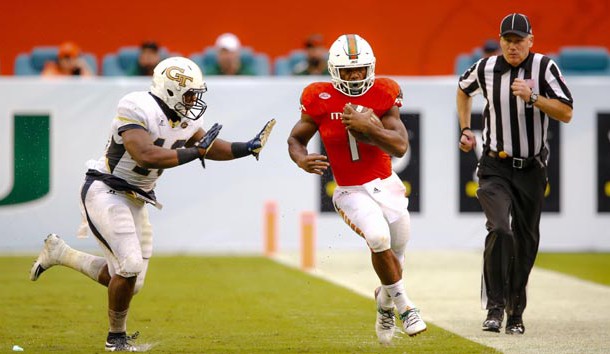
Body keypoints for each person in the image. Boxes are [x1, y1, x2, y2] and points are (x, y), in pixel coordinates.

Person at [30, 56, 275, 351]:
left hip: (136, 198)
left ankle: (61, 254)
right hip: (106, 190)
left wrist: (246, 148)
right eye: (189, 94)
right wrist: (195, 151)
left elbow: (207, 146)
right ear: (170, 90)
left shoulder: (183, 117)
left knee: (130, 279)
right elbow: (145, 154)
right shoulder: (135, 106)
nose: (193, 100)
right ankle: (115, 338)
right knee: (129, 266)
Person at [287, 34, 427, 344]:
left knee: (397, 253)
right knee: (378, 238)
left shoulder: (383, 93)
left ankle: (384, 302)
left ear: (370, 68)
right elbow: (295, 139)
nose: (354, 76)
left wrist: (371, 128)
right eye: (348, 70)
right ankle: (406, 307)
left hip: (387, 185)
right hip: (349, 189)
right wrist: (301, 160)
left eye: (360, 70)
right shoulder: (318, 97)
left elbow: (401, 146)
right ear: (335, 70)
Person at [457, 13, 573, 335]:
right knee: (500, 229)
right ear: (501, 41)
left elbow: (567, 112)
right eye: (507, 40)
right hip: (495, 165)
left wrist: (534, 98)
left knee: (526, 241)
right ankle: (495, 308)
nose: (512, 46)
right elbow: (463, 89)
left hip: (531, 169)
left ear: (530, 41)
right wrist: (466, 129)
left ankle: (515, 310)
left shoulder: (545, 68)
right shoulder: (486, 68)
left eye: (519, 40)